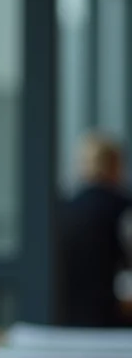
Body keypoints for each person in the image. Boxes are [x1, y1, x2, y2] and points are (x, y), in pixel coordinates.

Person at [60, 132, 132, 328]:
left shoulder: (63, 209)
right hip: (111, 319)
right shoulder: (122, 207)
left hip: (64, 317)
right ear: (116, 165)